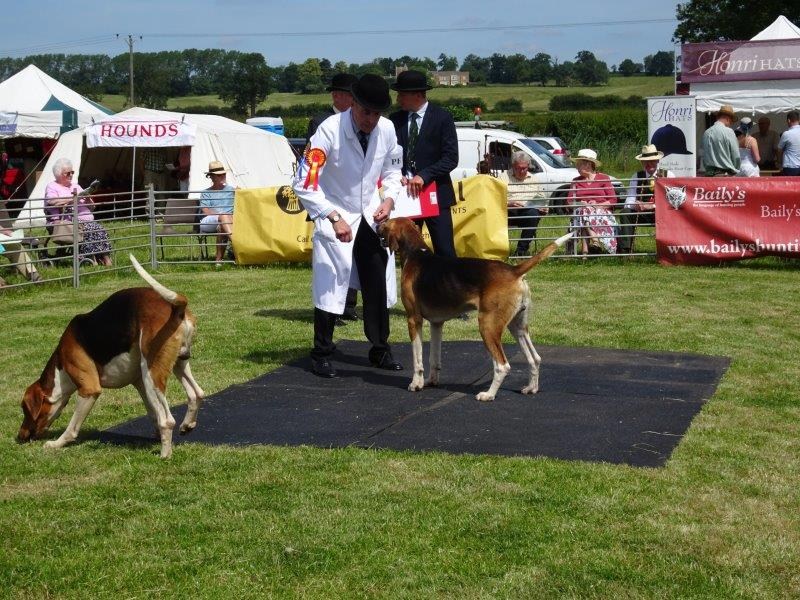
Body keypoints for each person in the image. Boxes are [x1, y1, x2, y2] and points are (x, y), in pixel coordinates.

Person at [293, 73, 402, 379]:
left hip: (371, 215)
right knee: (331, 284)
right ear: (352, 104)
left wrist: (389, 200)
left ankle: (380, 349)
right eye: (366, 112)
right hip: (336, 211)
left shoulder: (387, 130)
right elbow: (304, 182)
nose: (371, 120)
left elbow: (393, 172)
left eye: (377, 114)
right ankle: (322, 353)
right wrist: (332, 216)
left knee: (377, 282)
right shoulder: (328, 131)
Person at [307, 72, 360, 324]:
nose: (354, 101)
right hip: (328, 199)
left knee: (352, 255)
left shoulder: (359, 120)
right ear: (337, 96)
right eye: (350, 96)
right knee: (331, 257)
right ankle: (330, 308)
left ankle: (349, 304)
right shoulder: (320, 122)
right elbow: (311, 163)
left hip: (354, 200)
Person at [389, 70, 459, 257]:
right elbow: (388, 155)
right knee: (409, 253)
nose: (398, 99)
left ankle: (447, 278)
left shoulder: (442, 118)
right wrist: (398, 174)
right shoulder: (395, 120)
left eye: (402, 94)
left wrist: (424, 175)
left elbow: (451, 158)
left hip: (436, 195)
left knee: (445, 251)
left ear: (417, 95)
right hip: (406, 195)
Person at [44, 158, 112, 266]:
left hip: (85, 220)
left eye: (72, 172)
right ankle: (92, 259)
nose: (71, 175)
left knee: (99, 229)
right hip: (68, 221)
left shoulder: (76, 186)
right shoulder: (52, 186)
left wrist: (88, 198)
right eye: (68, 173)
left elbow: (92, 207)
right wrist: (73, 199)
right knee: (90, 229)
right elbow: (52, 201)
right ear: (59, 174)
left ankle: (105, 258)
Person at [618, 144, 674, 254]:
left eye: (652, 160)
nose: (649, 164)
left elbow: (672, 202)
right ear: (641, 163)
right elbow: (628, 201)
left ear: (658, 161)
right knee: (625, 212)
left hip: (662, 214)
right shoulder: (636, 176)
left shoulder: (668, 175)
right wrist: (636, 205)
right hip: (642, 213)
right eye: (645, 161)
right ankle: (626, 250)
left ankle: (669, 250)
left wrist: (652, 206)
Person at [566, 148, 618, 256]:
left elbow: (613, 200)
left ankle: (585, 252)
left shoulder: (603, 178)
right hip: (581, 213)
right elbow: (569, 201)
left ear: (588, 164)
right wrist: (581, 204)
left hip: (601, 213)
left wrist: (597, 205)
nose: (576, 167)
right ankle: (594, 242)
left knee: (585, 213)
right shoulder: (576, 181)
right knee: (584, 211)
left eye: (579, 164)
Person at [497, 151, 547, 257]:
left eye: (524, 168)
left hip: (527, 212)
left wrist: (543, 207)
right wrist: (508, 204)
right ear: (513, 166)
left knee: (533, 214)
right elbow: (494, 199)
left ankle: (521, 252)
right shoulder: (502, 178)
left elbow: (542, 199)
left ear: (528, 166)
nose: (522, 171)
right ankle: (499, 251)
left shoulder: (534, 179)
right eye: (518, 168)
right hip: (506, 213)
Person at [199, 161, 235, 266]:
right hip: (209, 220)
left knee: (222, 227)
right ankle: (236, 244)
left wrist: (241, 192)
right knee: (223, 217)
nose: (223, 176)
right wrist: (220, 216)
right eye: (219, 174)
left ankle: (218, 261)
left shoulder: (232, 190)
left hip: (228, 221)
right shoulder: (206, 192)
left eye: (223, 174)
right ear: (211, 177)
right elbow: (206, 210)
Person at [701, 104, 741, 176]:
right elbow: (736, 155)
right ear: (728, 119)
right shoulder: (729, 131)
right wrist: (735, 169)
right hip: (724, 175)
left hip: (708, 175)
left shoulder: (706, 132)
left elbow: (703, 154)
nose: (730, 124)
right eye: (731, 122)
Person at [778, 110, 800, 176]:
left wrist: (779, 163)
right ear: (799, 120)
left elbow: (779, 150)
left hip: (790, 167)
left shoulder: (786, 134)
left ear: (788, 120)